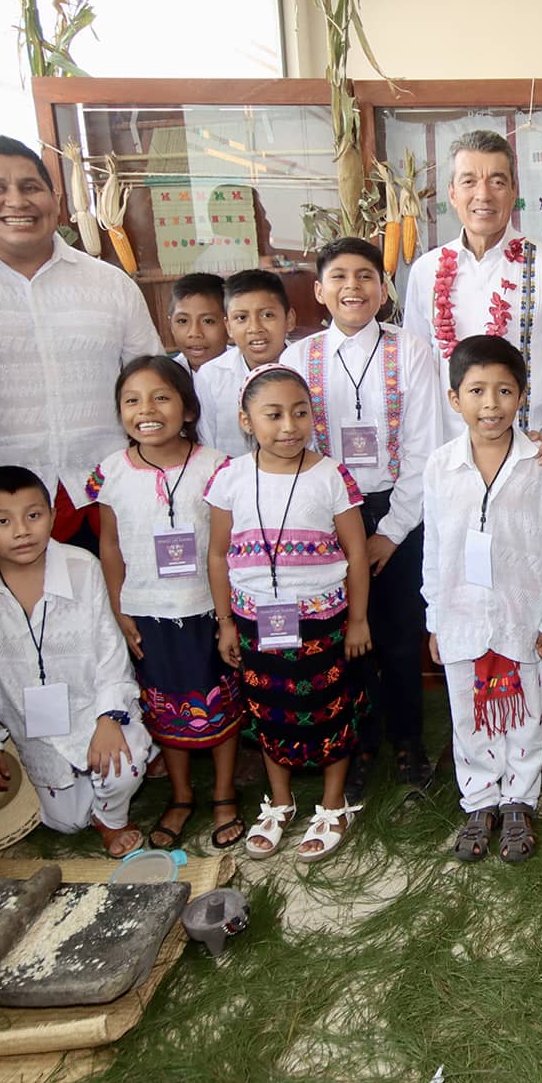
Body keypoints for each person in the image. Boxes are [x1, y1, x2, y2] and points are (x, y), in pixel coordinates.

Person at [0, 136, 162, 547]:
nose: (17, 201)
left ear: (54, 197)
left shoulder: (110, 283)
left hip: (100, 496)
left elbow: (154, 381)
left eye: (30, 187)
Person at [281, 237, 444, 800]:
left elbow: (425, 447)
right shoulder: (298, 359)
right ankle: (354, 740)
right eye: (340, 277)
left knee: (398, 633)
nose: (354, 286)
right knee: (338, 635)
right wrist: (338, 528)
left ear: (383, 289)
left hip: (396, 505)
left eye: (367, 276)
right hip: (323, 513)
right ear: (319, 290)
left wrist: (390, 533)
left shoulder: (413, 351)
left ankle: (406, 739)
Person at [204, 365, 372, 861]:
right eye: (273, 414)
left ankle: (333, 803)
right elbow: (218, 555)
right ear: (246, 420)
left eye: (300, 412)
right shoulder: (229, 478)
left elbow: (356, 552)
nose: (289, 426)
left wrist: (359, 618)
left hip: (323, 620)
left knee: (330, 708)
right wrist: (226, 622)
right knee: (268, 711)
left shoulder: (330, 474)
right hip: (256, 622)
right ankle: (279, 802)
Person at [0, 466, 153, 859]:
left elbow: (111, 651)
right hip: (28, 723)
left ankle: (111, 817)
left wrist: (109, 718)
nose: (22, 531)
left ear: (53, 517)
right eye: (2, 521)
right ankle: (86, 801)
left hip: (89, 712)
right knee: (67, 821)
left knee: (123, 765)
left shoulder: (82, 566)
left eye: (34, 515)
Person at [424, 336, 542, 863]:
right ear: (453, 399)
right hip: (461, 616)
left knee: (528, 714)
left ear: (522, 395)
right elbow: (435, 548)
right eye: (477, 391)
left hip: (522, 615)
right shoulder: (440, 466)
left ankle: (518, 800)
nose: (491, 404)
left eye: (505, 391)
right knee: (467, 714)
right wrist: (434, 620)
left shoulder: (539, 463)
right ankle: (479, 799)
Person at [88, 356, 242, 850]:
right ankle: (180, 795)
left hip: (205, 608)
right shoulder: (109, 473)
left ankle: (222, 794)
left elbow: (227, 547)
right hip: (146, 612)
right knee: (165, 709)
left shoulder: (218, 468)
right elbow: (109, 547)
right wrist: (119, 608)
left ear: (188, 408)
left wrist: (226, 619)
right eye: (131, 400)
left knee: (218, 704)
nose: (146, 410)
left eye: (161, 397)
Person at [403, 130, 542, 469]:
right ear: (452, 193)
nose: (483, 195)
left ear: (514, 190)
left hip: (529, 456)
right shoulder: (426, 271)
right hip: (448, 460)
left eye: (497, 181)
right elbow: (416, 375)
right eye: (469, 181)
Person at [195, 269, 292, 454]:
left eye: (267, 315)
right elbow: (206, 446)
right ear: (228, 327)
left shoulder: (310, 367)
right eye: (241, 318)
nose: (255, 328)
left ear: (289, 319)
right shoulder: (211, 377)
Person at [168, 272, 231, 375]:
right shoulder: (166, 377)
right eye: (183, 321)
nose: (194, 333)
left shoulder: (246, 372)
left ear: (229, 325)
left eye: (208, 321)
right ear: (171, 325)